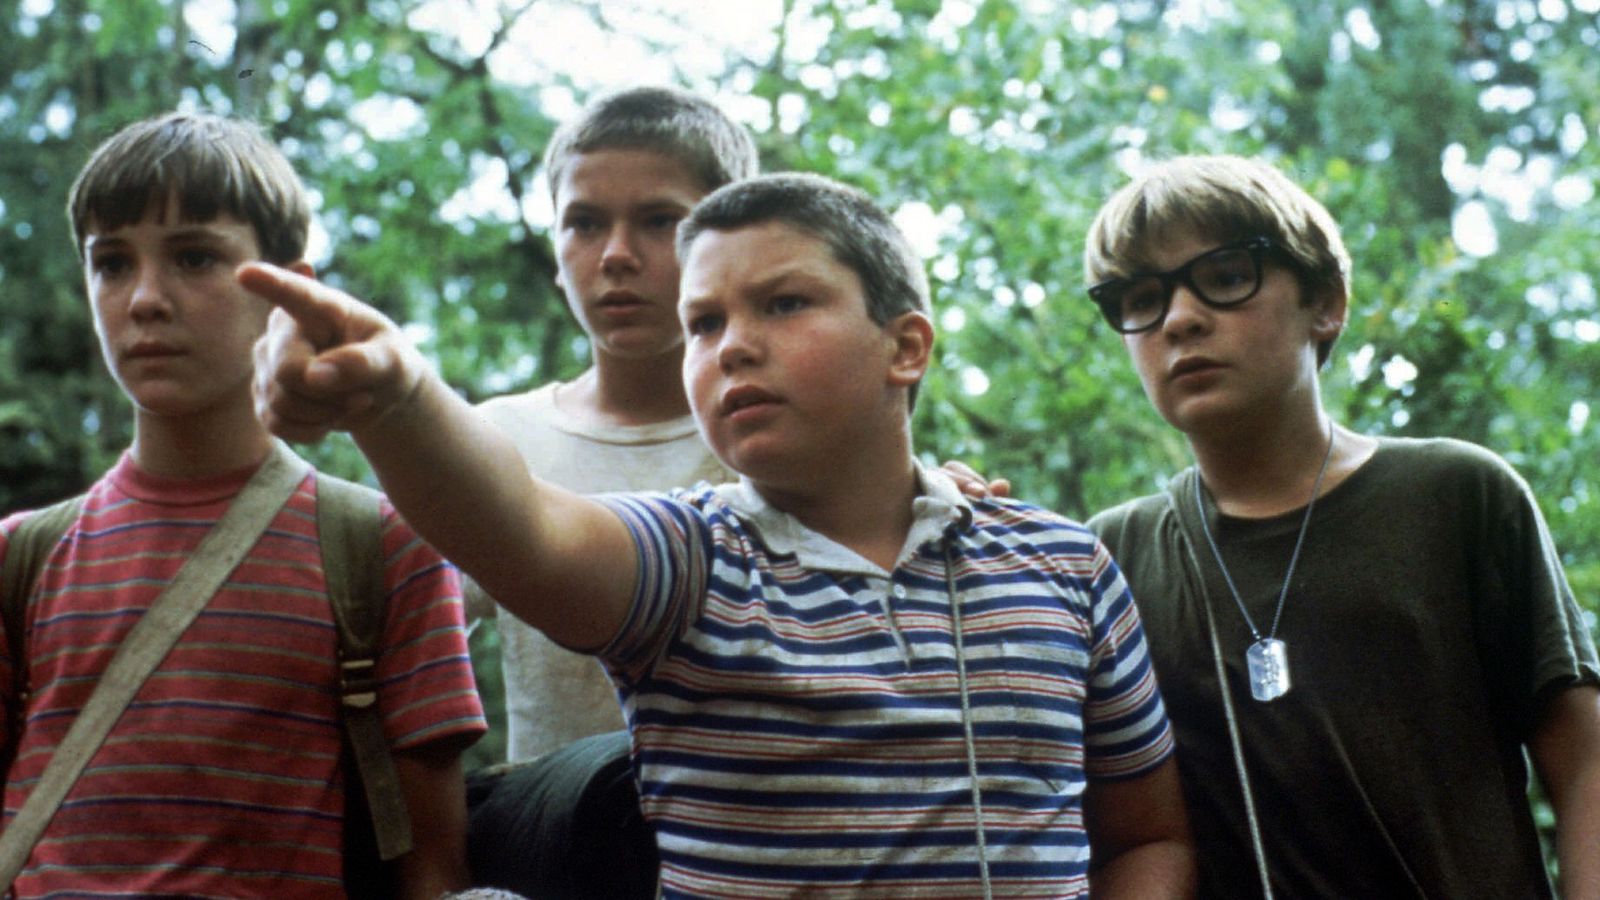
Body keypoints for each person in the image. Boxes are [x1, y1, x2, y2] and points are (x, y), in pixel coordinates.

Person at [247, 171, 1196, 898]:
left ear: (906, 347)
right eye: (703, 323)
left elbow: (1149, 834)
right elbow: (524, 528)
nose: (730, 344)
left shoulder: (1065, 567)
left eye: (783, 304)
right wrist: (396, 396)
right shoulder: (689, 561)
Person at [1081, 154, 1600, 898]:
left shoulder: (1457, 494)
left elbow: (1583, 758)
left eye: (1226, 277)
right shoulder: (1106, 558)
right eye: (1140, 296)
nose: (1180, 318)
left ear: (1326, 302)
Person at [0, 111, 486, 898]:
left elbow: (432, 866)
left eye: (194, 257)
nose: (145, 299)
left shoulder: (380, 545)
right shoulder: (22, 557)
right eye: (112, 263)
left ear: (290, 291)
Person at [470, 85, 752, 764]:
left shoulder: (782, 436)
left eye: (659, 221)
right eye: (585, 223)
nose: (616, 254)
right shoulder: (496, 439)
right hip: (549, 854)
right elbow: (396, 631)